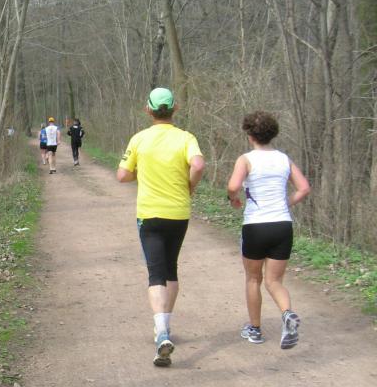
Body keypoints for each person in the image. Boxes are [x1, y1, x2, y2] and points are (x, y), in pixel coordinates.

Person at [117, 88, 205, 366]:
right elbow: (198, 165)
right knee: (170, 268)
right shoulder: (186, 138)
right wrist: (189, 186)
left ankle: (162, 331)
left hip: (149, 213)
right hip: (178, 212)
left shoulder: (139, 139)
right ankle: (164, 326)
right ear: (175, 108)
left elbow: (122, 175)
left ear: (148, 110)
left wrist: (140, 172)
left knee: (155, 272)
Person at [226, 111, 310, 349]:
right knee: (275, 281)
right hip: (282, 225)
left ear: (250, 135)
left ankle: (255, 330)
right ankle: (287, 314)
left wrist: (233, 198)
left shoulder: (245, 159)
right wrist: (285, 203)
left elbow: (233, 186)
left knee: (254, 279)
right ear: (272, 134)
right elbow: (304, 188)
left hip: (256, 225)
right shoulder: (284, 159)